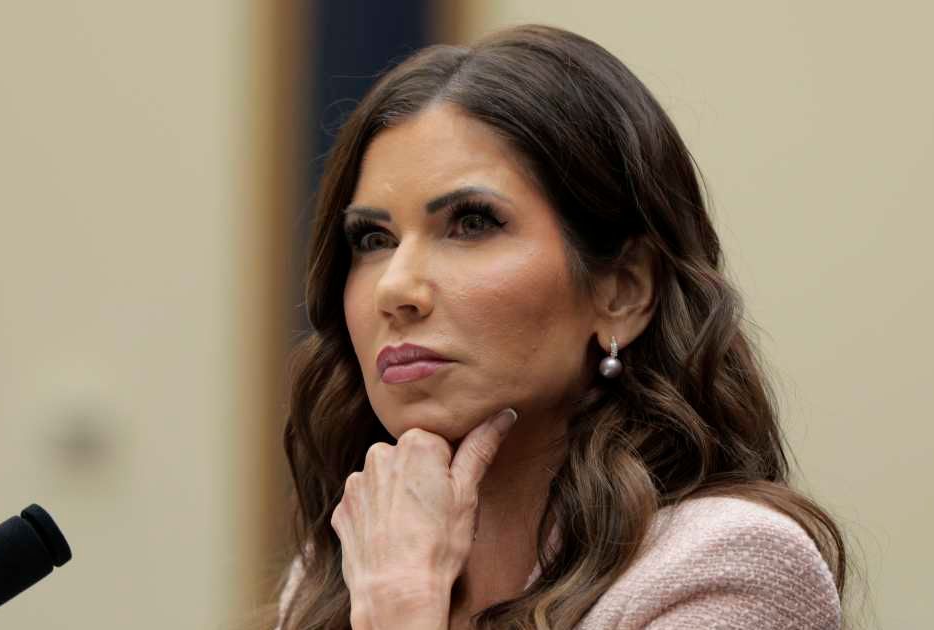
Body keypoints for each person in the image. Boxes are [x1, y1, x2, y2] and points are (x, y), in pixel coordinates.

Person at [273, 24, 846, 630]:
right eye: (373, 239)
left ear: (623, 292)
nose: (395, 288)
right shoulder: (338, 573)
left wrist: (404, 612)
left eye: (471, 223)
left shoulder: (726, 566)